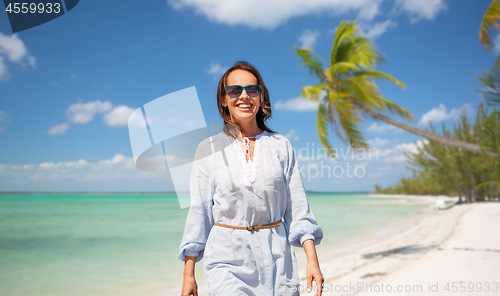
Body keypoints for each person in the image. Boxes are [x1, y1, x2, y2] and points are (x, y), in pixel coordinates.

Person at [178, 61, 324, 296]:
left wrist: (312, 261)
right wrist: (188, 275)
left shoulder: (281, 145)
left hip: (278, 259)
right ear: (224, 99)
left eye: (252, 90)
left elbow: (297, 207)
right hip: (226, 258)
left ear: (260, 97)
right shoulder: (208, 149)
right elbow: (199, 212)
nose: (244, 96)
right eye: (235, 90)